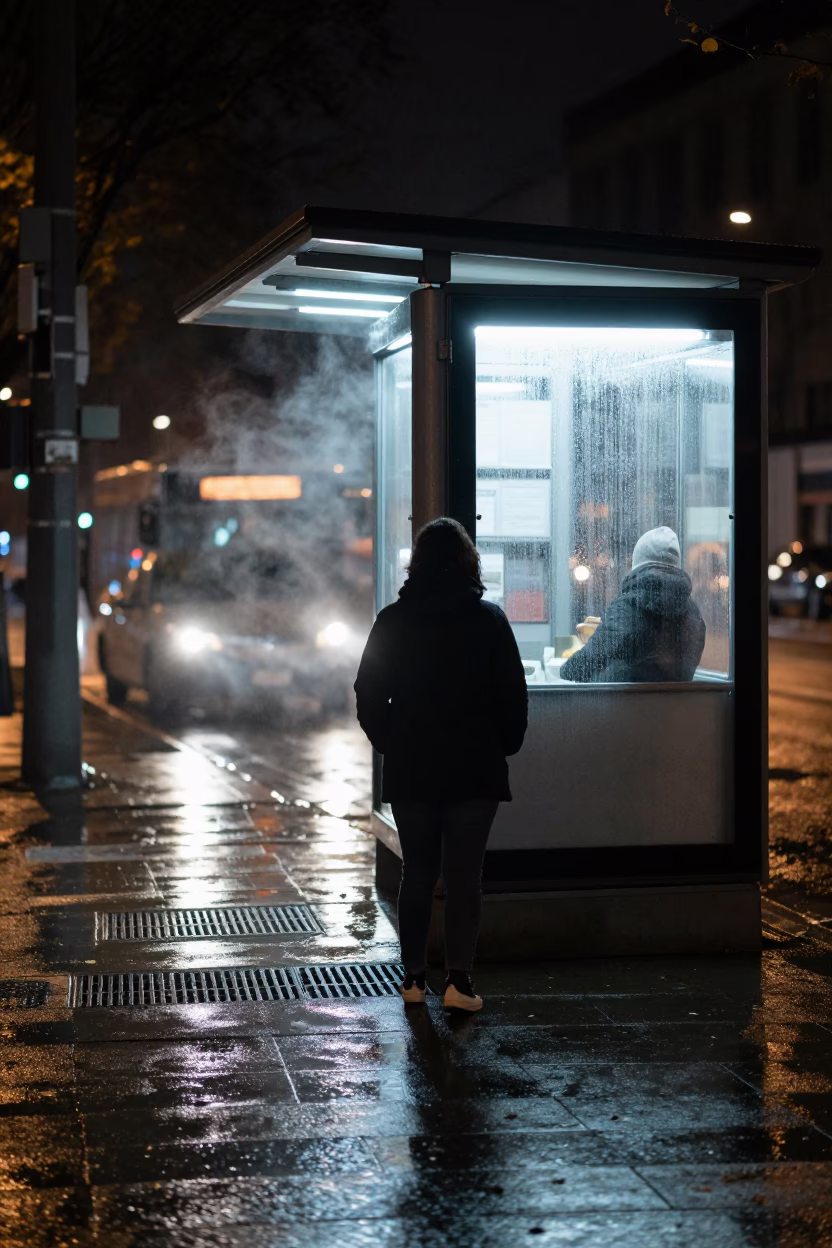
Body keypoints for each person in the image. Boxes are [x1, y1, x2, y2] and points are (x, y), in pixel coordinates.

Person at [354, 517, 528, 1013]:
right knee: (463, 877)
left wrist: (391, 741)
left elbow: (367, 693)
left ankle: (412, 979)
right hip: (475, 768)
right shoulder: (490, 620)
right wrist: (505, 745)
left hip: (414, 767)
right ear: (468, 562)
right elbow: (512, 696)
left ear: (418, 564)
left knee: (418, 871)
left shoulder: (393, 620)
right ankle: (460, 983)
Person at [561, 526, 706, 684]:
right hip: (679, 707)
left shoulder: (629, 607)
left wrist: (563, 671)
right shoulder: (694, 613)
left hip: (626, 706)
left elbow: (581, 666)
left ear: (638, 564)